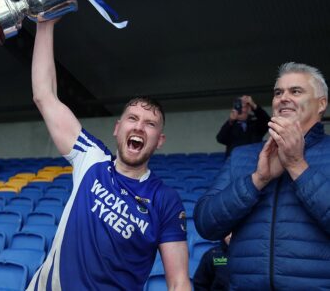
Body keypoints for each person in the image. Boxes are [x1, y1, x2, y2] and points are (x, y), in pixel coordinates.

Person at [27, 20, 191, 291]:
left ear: (159, 141)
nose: (139, 126)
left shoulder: (166, 201)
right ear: (117, 128)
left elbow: (178, 281)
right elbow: (45, 95)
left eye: (150, 124)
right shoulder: (90, 158)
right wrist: (45, 24)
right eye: (132, 118)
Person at [194, 62, 330, 290]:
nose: (283, 98)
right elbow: (206, 223)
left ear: (321, 104)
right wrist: (258, 180)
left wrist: (297, 166)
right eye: (278, 92)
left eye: (295, 91)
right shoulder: (242, 156)